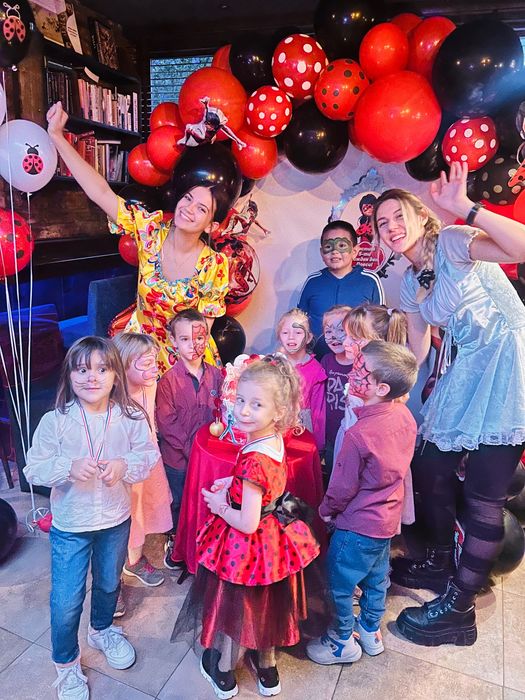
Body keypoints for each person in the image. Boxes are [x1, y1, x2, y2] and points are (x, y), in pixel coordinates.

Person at [373, 162, 525, 647]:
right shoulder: (409, 280)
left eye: (399, 216)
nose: (391, 227)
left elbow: (522, 247)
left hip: (509, 362)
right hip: (469, 366)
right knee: (430, 465)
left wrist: (466, 207)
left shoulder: (456, 241)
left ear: (421, 216)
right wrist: (389, 384)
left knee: (484, 494)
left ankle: (460, 611)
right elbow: (418, 349)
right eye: (382, 223)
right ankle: (440, 560)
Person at [171, 355, 320, 699]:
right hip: (276, 538)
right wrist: (233, 483)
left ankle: (223, 672)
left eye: (256, 404)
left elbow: (248, 521)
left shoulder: (253, 458)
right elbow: (266, 486)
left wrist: (220, 506)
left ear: (278, 412)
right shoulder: (274, 440)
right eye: (240, 400)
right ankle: (267, 669)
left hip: (249, 546)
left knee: (237, 610)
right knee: (268, 607)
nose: (244, 411)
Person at [46, 101, 230, 375]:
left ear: (211, 225)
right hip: (138, 351)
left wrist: (180, 384)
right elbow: (101, 193)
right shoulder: (150, 231)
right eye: (188, 198)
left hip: (184, 361)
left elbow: (198, 339)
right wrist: (57, 137)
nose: (189, 209)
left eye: (201, 209)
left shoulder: (215, 265)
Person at [23, 337, 159, 700]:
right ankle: (66, 664)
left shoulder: (130, 417)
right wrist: (67, 467)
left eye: (102, 369)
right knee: (66, 599)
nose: (92, 377)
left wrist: (124, 465)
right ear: (70, 375)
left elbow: (148, 456)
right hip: (71, 525)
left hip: (115, 519)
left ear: (116, 375)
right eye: (82, 369)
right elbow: (33, 468)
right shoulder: (55, 421)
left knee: (109, 584)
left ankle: (101, 630)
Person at [307, 341, 418, 665]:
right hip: (386, 523)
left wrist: (326, 512)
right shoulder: (405, 416)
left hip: (356, 525)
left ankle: (341, 640)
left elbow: (342, 488)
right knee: (377, 578)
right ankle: (370, 630)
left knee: (338, 585)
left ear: (381, 388)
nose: (353, 373)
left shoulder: (359, 434)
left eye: (361, 371)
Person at [155, 309, 223, 570]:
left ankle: (204, 541)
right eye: (185, 339)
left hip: (209, 458)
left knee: (204, 501)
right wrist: (190, 449)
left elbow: (223, 411)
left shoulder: (218, 375)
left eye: (199, 338)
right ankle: (176, 542)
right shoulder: (167, 382)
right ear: (173, 341)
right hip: (179, 460)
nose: (193, 345)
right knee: (179, 501)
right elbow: (167, 423)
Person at [112, 333, 172, 598]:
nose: (153, 369)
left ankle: (134, 560)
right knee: (127, 517)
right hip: (126, 468)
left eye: (154, 362)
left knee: (145, 510)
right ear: (123, 364)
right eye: (146, 364)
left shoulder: (151, 385)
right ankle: (113, 578)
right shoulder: (112, 400)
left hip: (150, 459)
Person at [333, 304, 408, 464]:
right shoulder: (359, 374)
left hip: (362, 451)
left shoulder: (376, 387)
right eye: (346, 335)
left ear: (380, 343)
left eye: (354, 338)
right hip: (347, 438)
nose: (345, 343)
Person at [298, 220, 384, 357]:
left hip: (358, 360)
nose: (335, 251)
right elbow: (299, 320)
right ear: (321, 252)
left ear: (355, 251)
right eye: (328, 246)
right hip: (318, 359)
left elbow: (379, 325)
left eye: (342, 245)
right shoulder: (313, 282)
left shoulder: (370, 281)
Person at [277, 308, 326, 451]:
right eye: (285, 333)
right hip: (274, 429)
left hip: (302, 432)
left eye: (298, 332)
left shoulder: (316, 370)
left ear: (308, 338)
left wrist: (318, 446)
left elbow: (318, 412)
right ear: (279, 336)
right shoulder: (273, 364)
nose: (291, 337)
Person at [319, 305, 352, 483]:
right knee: (332, 474)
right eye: (328, 331)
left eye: (340, 330)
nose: (334, 336)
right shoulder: (326, 361)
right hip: (330, 432)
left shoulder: (359, 365)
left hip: (350, 434)